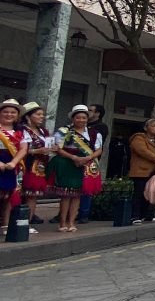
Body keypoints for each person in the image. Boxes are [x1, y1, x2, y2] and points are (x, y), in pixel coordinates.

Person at [46, 105, 103, 232]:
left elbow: (99, 149)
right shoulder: (64, 131)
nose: (81, 120)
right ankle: (62, 223)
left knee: (77, 195)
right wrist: (73, 157)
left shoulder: (94, 133)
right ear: (73, 118)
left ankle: (72, 222)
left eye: (84, 117)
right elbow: (58, 148)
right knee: (66, 195)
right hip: (68, 164)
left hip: (85, 164)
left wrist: (87, 159)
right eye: (78, 117)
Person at [18, 102, 51, 232]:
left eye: (42, 114)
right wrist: (36, 151)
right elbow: (19, 149)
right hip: (26, 165)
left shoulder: (43, 131)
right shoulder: (22, 130)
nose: (42, 117)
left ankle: (27, 223)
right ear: (28, 116)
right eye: (38, 114)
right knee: (20, 195)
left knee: (33, 195)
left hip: (40, 167)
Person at [128, 118, 155, 223]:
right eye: (153, 125)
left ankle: (148, 215)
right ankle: (135, 216)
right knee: (140, 193)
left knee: (153, 192)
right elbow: (143, 151)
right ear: (146, 128)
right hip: (141, 171)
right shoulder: (138, 138)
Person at [77, 104, 109, 224]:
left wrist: (88, 157)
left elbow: (97, 147)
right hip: (74, 160)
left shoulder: (100, 128)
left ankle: (83, 213)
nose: (87, 113)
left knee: (87, 188)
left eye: (90, 111)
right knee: (71, 188)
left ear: (97, 114)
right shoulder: (73, 128)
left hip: (90, 161)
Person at [0, 99, 28, 233]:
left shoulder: (21, 132)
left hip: (12, 165)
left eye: (12, 112)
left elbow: (23, 149)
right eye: (5, 112)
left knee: (8, 195)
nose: (9, 115)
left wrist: (14, 162)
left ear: (17, 115)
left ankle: (5, 225)